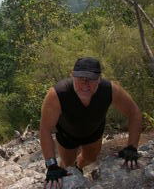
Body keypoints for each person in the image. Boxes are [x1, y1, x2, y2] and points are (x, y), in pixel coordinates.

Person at [40, 57, 142, 189]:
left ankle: (80, 166)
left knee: (90, 158)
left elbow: (134, 112)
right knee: (67, 164)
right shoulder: (57, 94)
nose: (85, 84)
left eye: (91, 79)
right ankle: (69, 171)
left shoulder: (110, 90)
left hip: (93, 131)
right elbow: (45, 129)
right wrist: (51, 165)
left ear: (99, 79)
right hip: (67, 134)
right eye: (80, 78)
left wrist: (132, 147)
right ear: (72, 76)